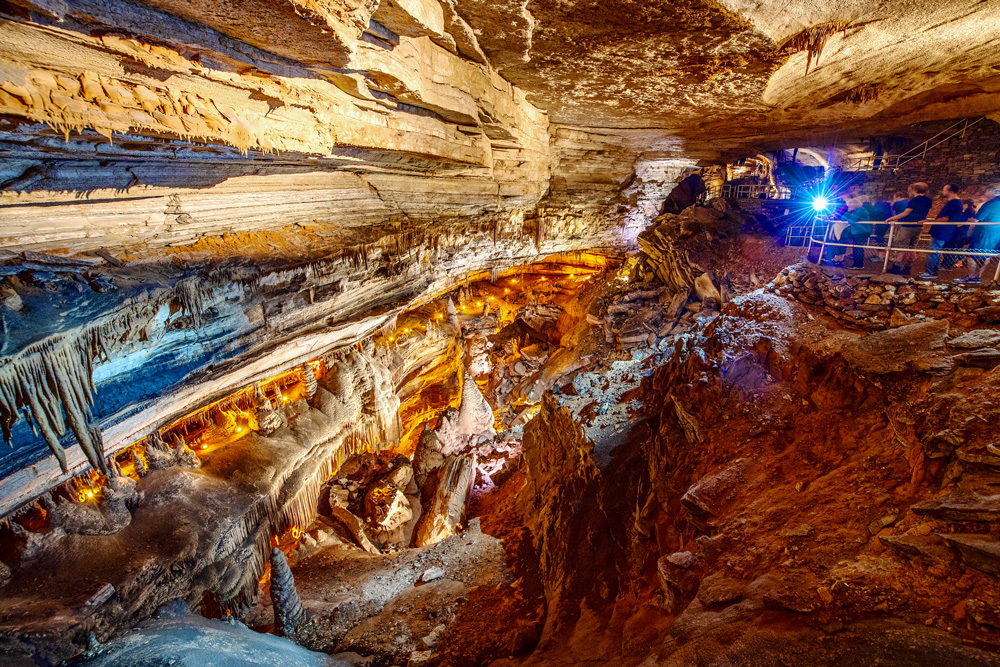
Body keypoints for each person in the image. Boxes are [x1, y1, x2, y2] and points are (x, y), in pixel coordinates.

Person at [885, 182, 933, 275]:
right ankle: (907, 267)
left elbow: (906, 213)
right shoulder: (928, 200)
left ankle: (897, 267)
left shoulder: (914, 200)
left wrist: (892, 218)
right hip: (918, 226)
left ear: (915, 190)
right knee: (911, 248)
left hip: (907, 226)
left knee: (902, 247)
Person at [919, 183, 964, 278]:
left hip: (942, 231)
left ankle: (930, 272)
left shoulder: (954, 203)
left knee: (934, 251)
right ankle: (931, 271)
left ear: (950, 191)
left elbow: (946, 218)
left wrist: (929, 221)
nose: (942, 192)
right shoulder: (954, 203)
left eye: (944, 190)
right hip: (943, 230)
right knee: (934, 250)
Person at [959, 185, 1000, 284]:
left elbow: (975, 220)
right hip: (996, 233)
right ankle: (978, 276)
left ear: (991, 193)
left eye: (985, 193)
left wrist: (964, 219)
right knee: (987, 255)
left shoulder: (990, 204)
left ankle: (972, 277)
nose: (983, 196)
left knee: (971, 254)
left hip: (983, 233)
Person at [942, 198, 974, 270]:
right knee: (958, 248)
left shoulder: (966, 213)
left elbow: (959, 223)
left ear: (966, 205)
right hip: (960, 234)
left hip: (958, 234)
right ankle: (956, 262)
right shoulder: (967, 213)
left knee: (952, 248)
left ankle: (948, 264)